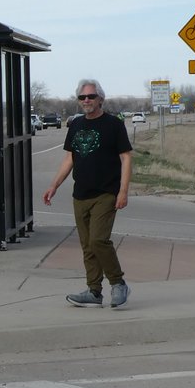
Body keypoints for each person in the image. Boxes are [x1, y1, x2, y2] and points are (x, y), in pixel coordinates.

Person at [42, 79, 133, 308]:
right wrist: (54, 185)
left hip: (106, 193)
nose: (86, 101)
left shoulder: (113, 125)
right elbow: (69, 158)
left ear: (100, 99)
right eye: (82, 97)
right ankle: (94, 291)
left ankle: (119, 283)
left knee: (98, 240)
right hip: (80, 194)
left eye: (91, 97)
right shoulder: (75, 125)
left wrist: (123, 191)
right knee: (87, 246)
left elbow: (126, 157)